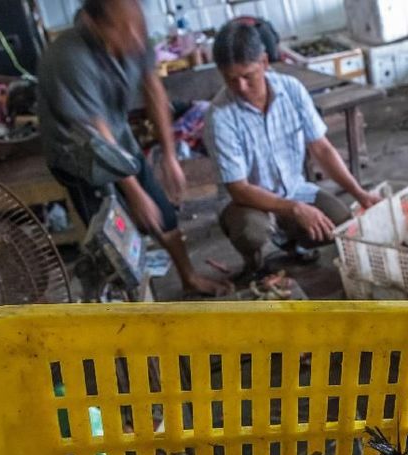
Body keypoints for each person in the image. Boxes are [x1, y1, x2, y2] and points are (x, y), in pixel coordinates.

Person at [37, 0, 228, 296]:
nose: (135, 37)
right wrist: (135, 193)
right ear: (93, 23)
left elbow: (153, 89)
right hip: (78, 154)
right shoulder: (68, 57)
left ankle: (189, 277)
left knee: (163, 214)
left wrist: (169, 154)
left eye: (138, 25)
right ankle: (136, 304)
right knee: (114, 237)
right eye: (122, 27)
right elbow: (96, 135)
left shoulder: (133, 37)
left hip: (118, 140)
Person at [205, 22, 382, 276]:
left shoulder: (291, 89)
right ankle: (255, 263)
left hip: (294, 189)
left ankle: (293, 243)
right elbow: (239, 188)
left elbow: (321, 148)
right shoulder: (219, 116)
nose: (241, 87)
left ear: (265, 63)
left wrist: (359, 193)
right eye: (232, 80)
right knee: (251, 231)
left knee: (341, 225)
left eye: (248, 76)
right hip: (246, 203)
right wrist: (295, 209)